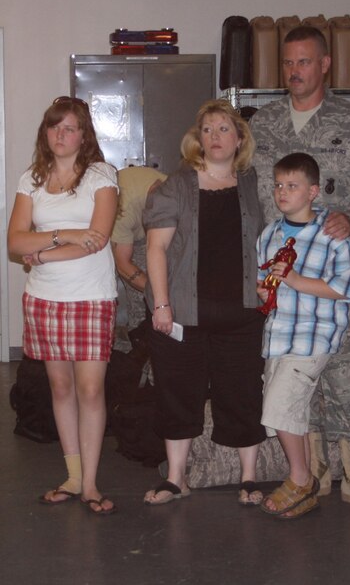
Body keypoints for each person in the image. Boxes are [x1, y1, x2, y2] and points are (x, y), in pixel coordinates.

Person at [250, 26, 350, 512]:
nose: (295, 72)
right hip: (283, 278)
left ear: (325, 64)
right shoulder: (264, 122)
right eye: (289, 63)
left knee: (344, 371)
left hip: (334, 269)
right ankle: (314, 473)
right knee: (293, 375)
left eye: (305, 62)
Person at [142, 98, 267, 506]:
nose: (215, 137)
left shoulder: (255, 185)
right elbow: (156, 249)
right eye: (208, 130)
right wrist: (161, 306)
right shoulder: (174, 186)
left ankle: (250, 477)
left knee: (243, 394)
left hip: (243, 313)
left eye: (224, 129)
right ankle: (177, 478)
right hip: (181, 313)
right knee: (177, 393)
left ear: (239, 138)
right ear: (197, 139)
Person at [7, 96, 119, 515]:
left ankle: (90, 484)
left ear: (83, 134)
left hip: (91, 296)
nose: (61, 134)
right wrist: (66, 235)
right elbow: (15, 242)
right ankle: (72, 476)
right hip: (44, 298)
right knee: (60, 387)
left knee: (90, 390)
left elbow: (98, 240)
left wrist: (45, 251)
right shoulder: (30, 180)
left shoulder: (100, 176)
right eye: (55, 127)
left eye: (70, 127)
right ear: (46, 133)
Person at [257, 152, 350, 519]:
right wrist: (263, 290)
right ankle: (306, 483)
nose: (283, 192)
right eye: (279, 185)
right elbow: (264, 280)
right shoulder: (270, 234)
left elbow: (342, 289)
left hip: (313, 337)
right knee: (280, 410)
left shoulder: (332, 236)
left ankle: (301, 478)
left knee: (279, 408)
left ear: (313, 191)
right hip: (278, 335)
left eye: (293, 186)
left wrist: (295, 280)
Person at [111, 166, 166, 336]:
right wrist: (159, 294)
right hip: (105, 234)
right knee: (140, 298)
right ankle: (137, 345)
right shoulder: (124, 209)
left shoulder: (176, 190)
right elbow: (123, 264)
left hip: (142, 231)